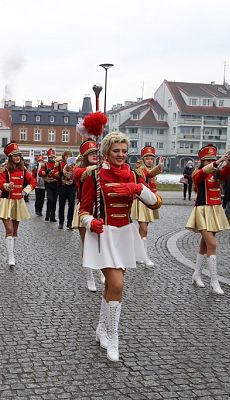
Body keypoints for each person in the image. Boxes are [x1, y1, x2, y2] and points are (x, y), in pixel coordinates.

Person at [79, 131, 160, 362]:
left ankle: (102, 329)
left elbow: (156, 203)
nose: (121, 155)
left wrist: (138, 189)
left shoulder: (134, 175)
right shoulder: (94, 176)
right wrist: (89, 221)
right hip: (103, 235)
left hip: (125, 235)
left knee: (112, 289)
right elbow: (83, 209)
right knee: (117, 283)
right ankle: (114, 338)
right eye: (116, 151)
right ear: (106, 152)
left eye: (124, 151)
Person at [186, 144, 230, 295]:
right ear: (202, 162)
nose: (210, 163)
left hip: (215, 211)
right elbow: (201, 173)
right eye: (207, 160)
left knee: (204, 245)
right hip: (202, 211)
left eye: (212, 160)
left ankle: (196, 274)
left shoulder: (217, 174)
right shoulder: (198, 174)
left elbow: (229, 171)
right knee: (212, 244)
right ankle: (214, 281)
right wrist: (217, 161)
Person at [0, 141, 36, 266]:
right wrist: (7, 186)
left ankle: (12, 252)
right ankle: (10, 256)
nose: (18, 157)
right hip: (6, 201)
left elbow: (33, 181)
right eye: (15, 155)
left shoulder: (24, 170)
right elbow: (0, 183)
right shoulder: (4, 169)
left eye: (19, 155)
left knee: (15, 230)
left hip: (18, 201)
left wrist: (25, 191)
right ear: (10, 157)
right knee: (9, 229)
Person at [130, 146, 165, 267]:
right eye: (147, 158)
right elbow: (149, 174)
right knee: (144, 229)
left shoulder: (149, 169)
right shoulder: (140, 170)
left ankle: (138, 254)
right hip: (142, 201)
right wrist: (159, 167)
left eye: (151, 158)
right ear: (143, 159)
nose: (150, 160)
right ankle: (144, 257)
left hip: (151, 201)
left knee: (143, 230)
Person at [72, 138, 100, 292]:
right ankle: (89, 276)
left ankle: (102, 269)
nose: (95, 155)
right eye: (91, 153)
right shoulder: (79, 169)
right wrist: (96, 168)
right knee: (87, 243)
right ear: (84, 156)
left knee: (101, 242)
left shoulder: (103, 167)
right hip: (85, 208)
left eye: (96, 152)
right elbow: (80, 174)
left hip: (101, 209)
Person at [54, 150, 77, 229]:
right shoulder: (60, 164)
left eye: (69, 156)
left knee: (71, 205)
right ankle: (61, 222)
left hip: (72, 187)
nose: (67, 158)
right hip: (62, 187)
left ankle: (69, 222)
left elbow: (77, 175)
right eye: (66, 156)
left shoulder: (75, 165)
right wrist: (62, 172)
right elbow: (55, 174)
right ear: (64, 157)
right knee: (61, 205)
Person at [39, 148, 59, 222]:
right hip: (48, 183)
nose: (52, 158)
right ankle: (47, 214)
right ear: (48, 157)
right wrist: (46, 172)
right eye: (50, 157)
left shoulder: (57, 164)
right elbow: (40, 173)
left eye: (53, 157)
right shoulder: (45, 164)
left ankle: (52, 216)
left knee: (54, 201)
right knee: (50, 200)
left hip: (56, 183)